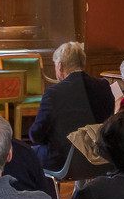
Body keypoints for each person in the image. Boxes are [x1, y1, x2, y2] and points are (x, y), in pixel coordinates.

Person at [30, 41, 114, 173]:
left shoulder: (53, 93)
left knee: (30, 154)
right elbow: (108, 120)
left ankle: (46, 193)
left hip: (62, 160)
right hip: (97, 156)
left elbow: (36, 135)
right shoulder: (103, 86)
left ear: (60, 66)